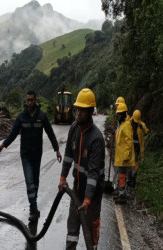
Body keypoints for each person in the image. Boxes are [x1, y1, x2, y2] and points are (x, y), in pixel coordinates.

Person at [0, 90, 62, 222]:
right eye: (28, 100)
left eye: (32, 100)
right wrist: (3, 146)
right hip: (25, 154)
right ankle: (33, 209)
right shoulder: (21, 117)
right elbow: (13, 134)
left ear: (36, 100)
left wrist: (57, 149)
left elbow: (50, 133)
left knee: (35, 182)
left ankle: (34, 207)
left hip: (37, 154)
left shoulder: (42, 116)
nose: (30, 102)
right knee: (30, 181)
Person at [58, 88, 105, 249]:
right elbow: (68, 156)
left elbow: (93, 174)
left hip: (91, 197)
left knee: (90, 233)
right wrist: (63, 178)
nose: (78, 113)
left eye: (82, 110)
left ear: (90, 111)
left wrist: (87, 199)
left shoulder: (96, 139)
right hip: (76, 191)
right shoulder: (74, 128)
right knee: (72, 229)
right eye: (77, 109)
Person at [113, 102, 135, 204]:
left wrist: (126, 155)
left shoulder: (126, 125)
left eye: (119, 114)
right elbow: (120, 136)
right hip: (120, 156)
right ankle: (120, 192)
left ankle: (122, 195)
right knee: (120, 175)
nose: (118, 116)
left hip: (124, 157)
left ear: (123, 114)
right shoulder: (122, 124)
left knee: (122, 175)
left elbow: (129, 142)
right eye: (117, 114)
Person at [129, 109, 149, 187]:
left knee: (135, 163)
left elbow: (147, 131)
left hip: (137, 148)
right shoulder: (130, 122)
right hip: (130, 147)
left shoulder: (141, 125)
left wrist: (143, 128)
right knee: (130, 163)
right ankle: (129, 178)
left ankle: (134, 179)